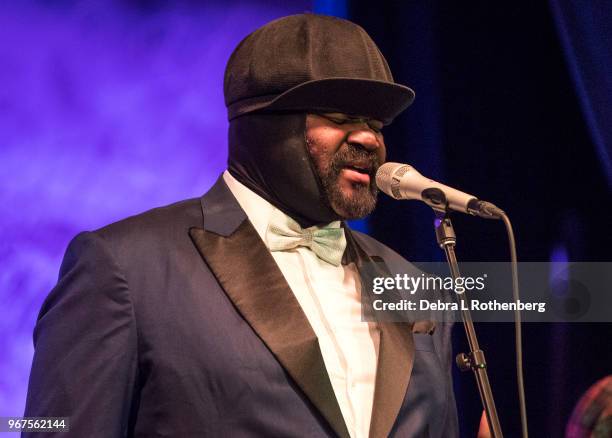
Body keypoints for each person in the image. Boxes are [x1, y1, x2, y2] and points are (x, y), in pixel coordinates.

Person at [24, 14, 458, 437]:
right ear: (263, 127)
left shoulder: (412, 285)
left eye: (375, 123)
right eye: (340, 117)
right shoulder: (124, 267)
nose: (369, 139)